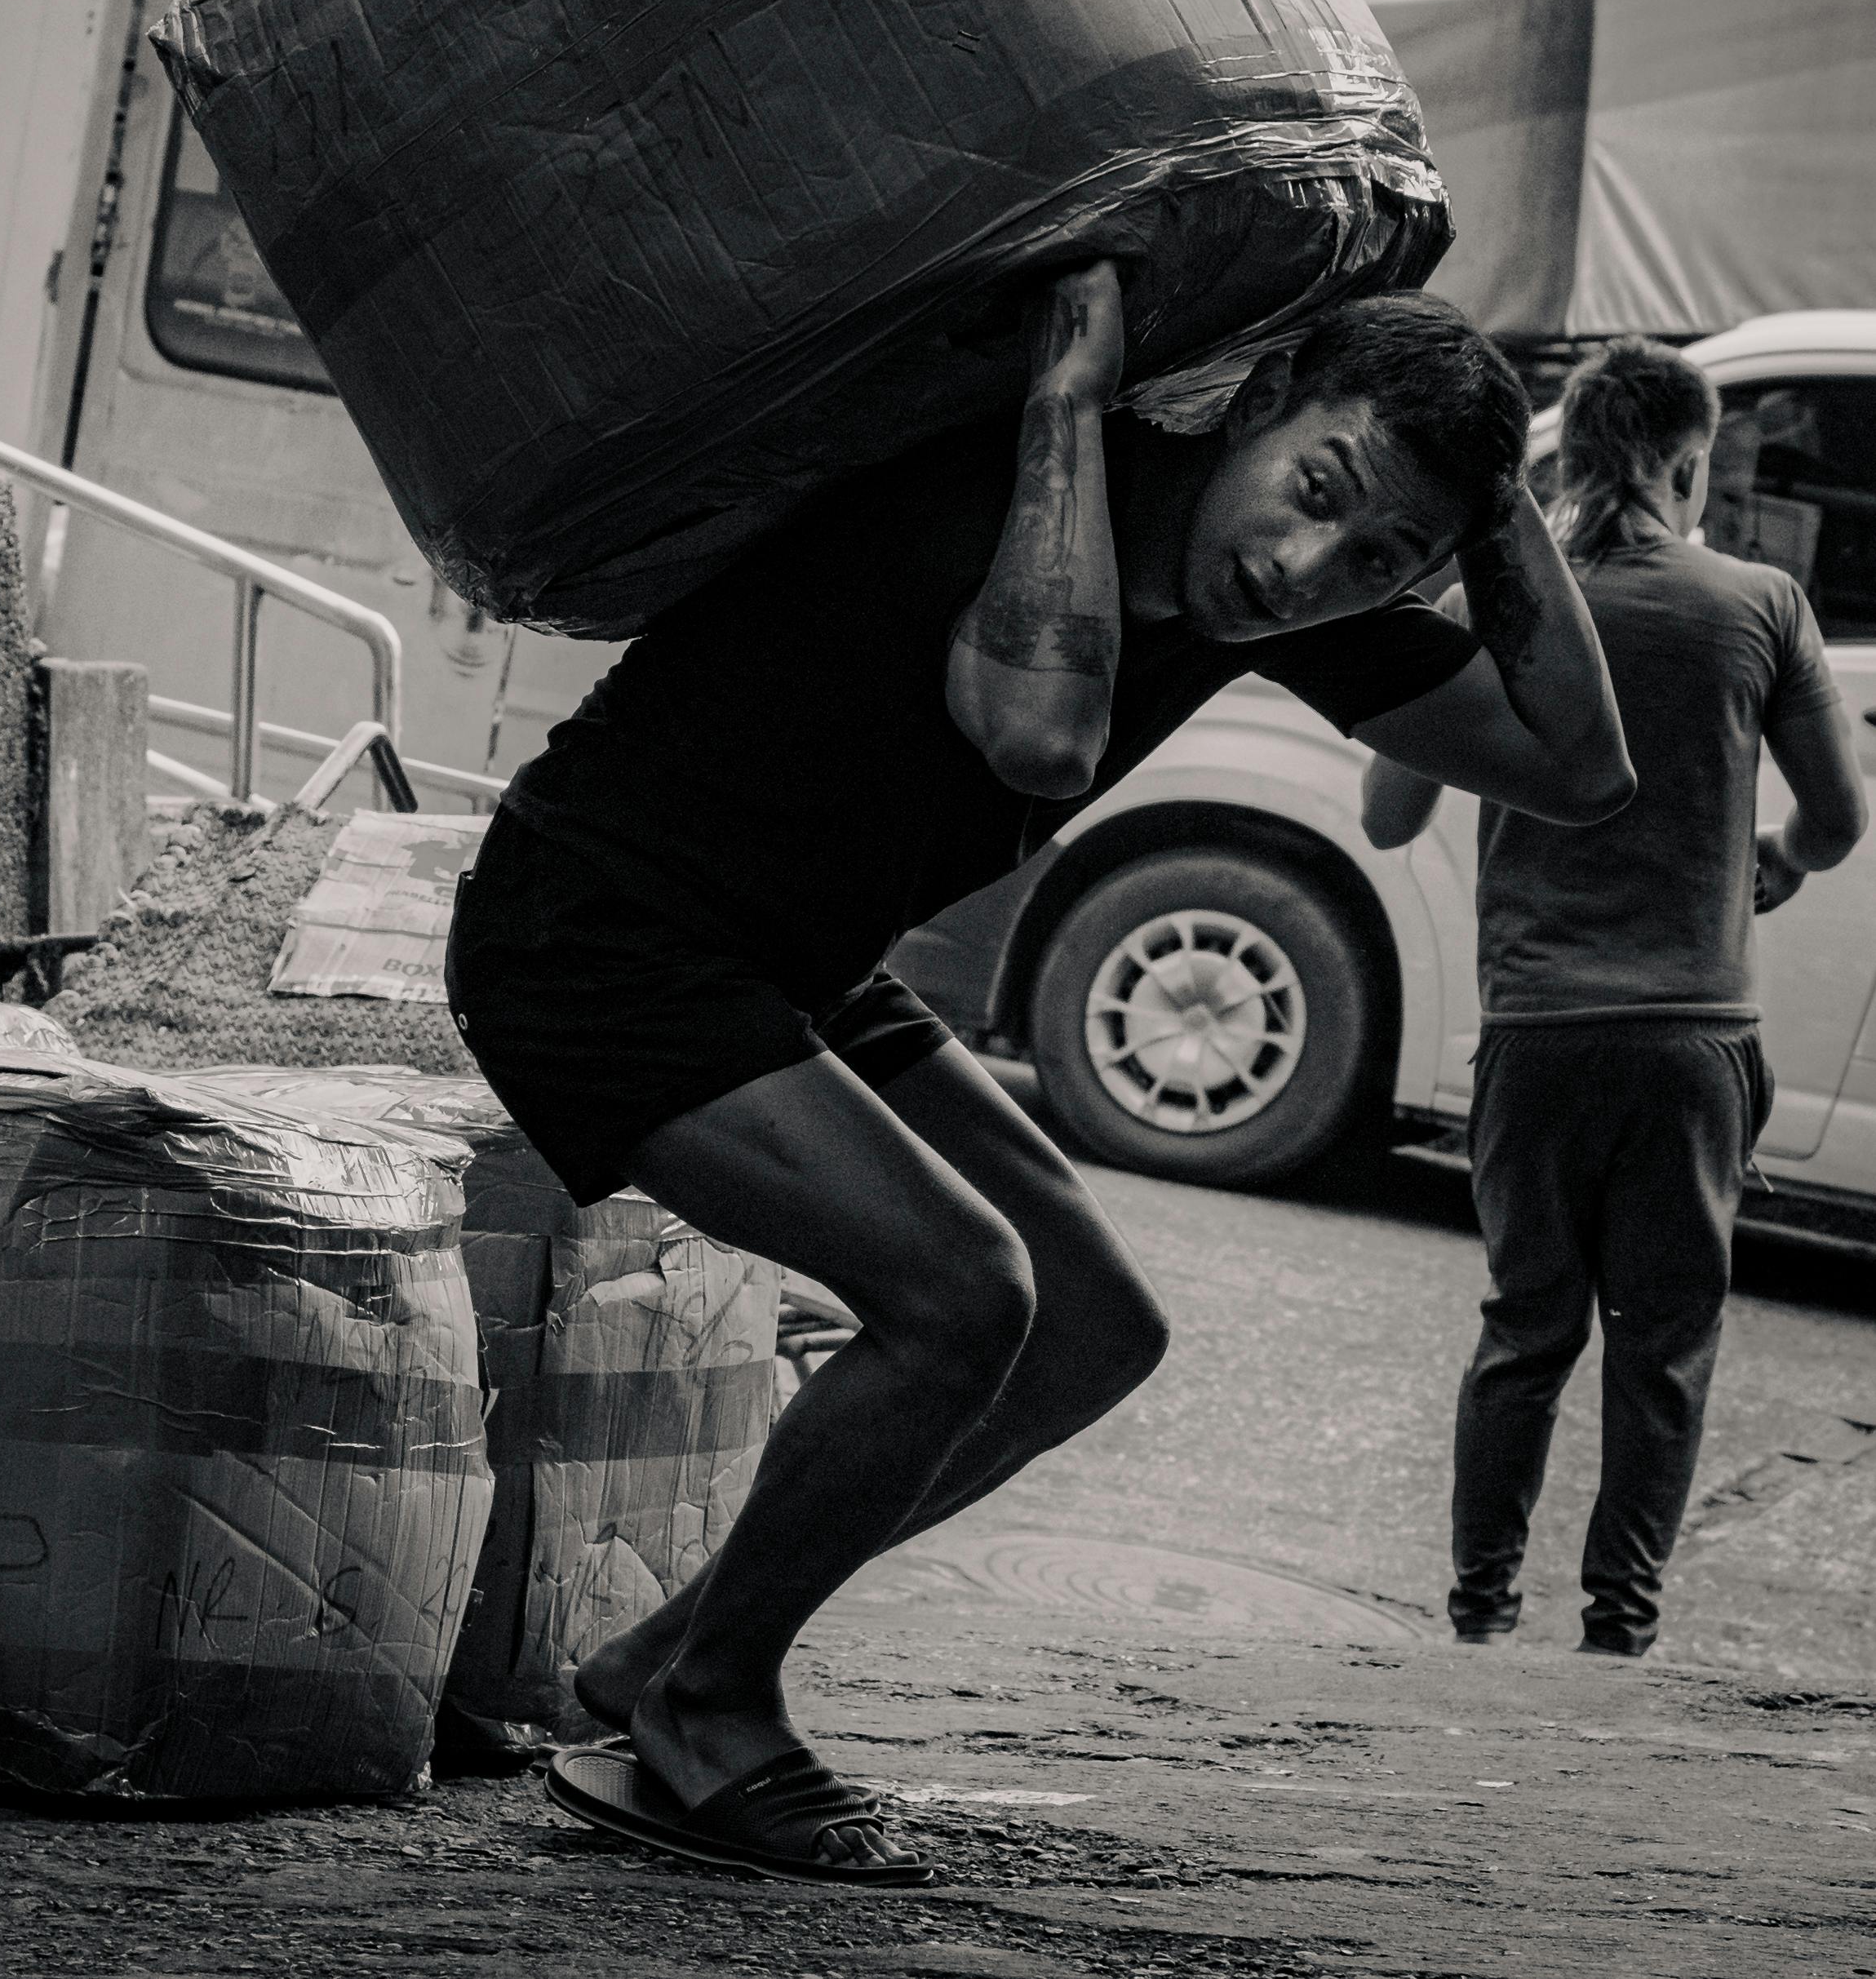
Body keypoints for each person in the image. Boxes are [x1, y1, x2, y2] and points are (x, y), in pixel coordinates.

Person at [447, 264, 1633, 1884]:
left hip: (788, 955)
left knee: (1091, 1327)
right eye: (1312, 495)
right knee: (961, 1298)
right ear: (1261, 398)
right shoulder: (1020, 486)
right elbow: (1038, 739)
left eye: (1375, 559)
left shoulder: (1290, 598)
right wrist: (1067, 405)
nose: (1300, 570)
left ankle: (660, 1660)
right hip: (595, 927)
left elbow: (1574, 762)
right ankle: (706, 1715)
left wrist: (1488, 520)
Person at [1364, 339, 1865, 1661]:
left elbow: (1386, 806)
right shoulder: (1761, 603)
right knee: (1664, 1347)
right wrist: (1775, 862)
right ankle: (1618, 1631)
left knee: (1525, 1329)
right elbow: (1840, 816)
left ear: (1572, 457)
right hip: (1695, 1039)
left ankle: (1478, 1613)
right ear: (1692, 459)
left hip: (1536, 1035)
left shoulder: (1510, 602)